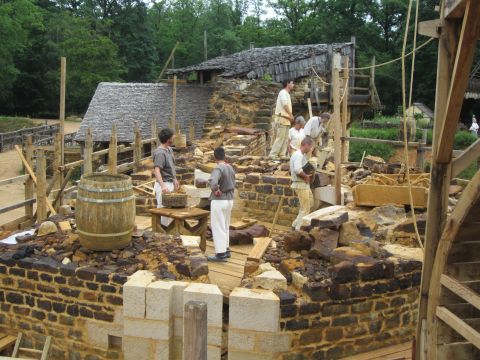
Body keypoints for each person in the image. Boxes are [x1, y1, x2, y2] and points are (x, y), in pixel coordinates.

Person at [207, 147, 236, 262]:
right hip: (229, 200)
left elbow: (213, 181)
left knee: (218, 226)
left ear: (215, 157)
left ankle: (220, 254)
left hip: (219, 200)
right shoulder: (230, 168)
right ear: (225, 156)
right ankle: (226, 249)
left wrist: (215, 190)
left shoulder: (218, 168)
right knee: (225, 225)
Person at [153, 128, 180, 226]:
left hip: (170, 183)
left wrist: (174, 179)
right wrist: (163, 185)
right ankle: (163, 233)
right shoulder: (160, 153)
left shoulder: (169, 149)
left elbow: (171, 166)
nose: (174, 137)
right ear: (168, 139)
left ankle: (169, 233)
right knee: (163, 209)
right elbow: (157, 170)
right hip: (163, 185)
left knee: (170, 210)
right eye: (173, 136)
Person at [290, 137, 315, 231]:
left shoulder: (301, 155)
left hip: (303, 184)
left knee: (310, 204)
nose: (311, 149)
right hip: (300, 184)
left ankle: (295, 224)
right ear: (306, 145)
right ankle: (298, 230)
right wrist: (306, 176)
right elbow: (297, 170)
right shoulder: (298, 155)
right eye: (311, 147)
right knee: (305, 208)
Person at [269, 79, 295, 159]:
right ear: (287, 83)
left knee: (285, 138)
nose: (293, 85)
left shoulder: (287, 94)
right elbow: (284, 105)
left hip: (286, 119)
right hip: (282, 118)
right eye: (292, 83)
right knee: (280, 137)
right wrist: (290, 114)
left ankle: (282, 154)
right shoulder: (283, 92)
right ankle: (273, 155)